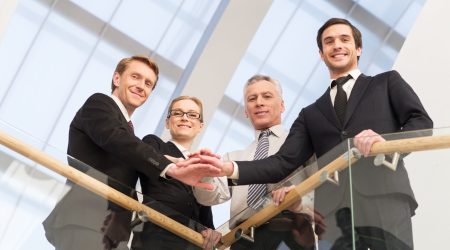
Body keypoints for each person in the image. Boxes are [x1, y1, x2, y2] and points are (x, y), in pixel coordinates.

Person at [188, 18, 433, 250]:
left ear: (358, 48)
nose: (337, 45)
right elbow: (282, 163)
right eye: (329, 41)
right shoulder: (311, 113)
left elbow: (422, 122)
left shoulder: (386, 82)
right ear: (321, 54)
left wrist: (387, 142)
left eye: (344, 39)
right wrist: (228, 168)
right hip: (335, 217)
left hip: (384, 196)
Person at [42, 55, 219, 250]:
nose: (141, 86)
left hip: (113, 233)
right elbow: (116, 139)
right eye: (135, 77)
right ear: (117, 79)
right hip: (87, 219)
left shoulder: (129, 130)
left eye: (148, 83)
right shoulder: (99, 103)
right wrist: (166, 165)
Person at [194, 75, 318, 249]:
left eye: (267, 96)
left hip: (290, 233)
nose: (259, 103)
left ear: (282, 105)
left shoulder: (300, 145)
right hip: (243, 240)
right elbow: (208, 198)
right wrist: (205, 173)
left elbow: (323, 190)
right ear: (246, 111)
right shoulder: (233, 158)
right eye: (252, 99)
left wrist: (299, 202)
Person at [131, 96, 223, 250]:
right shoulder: (154, 144)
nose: (185, 118)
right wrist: (175, 162)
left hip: (190, 243)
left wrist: (212, 232)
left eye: (192, 114)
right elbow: (148, 158)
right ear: (167, 122)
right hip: (155, 238)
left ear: (200, 126)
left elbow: (205, 217)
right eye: (178, 113)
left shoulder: (201, 166)